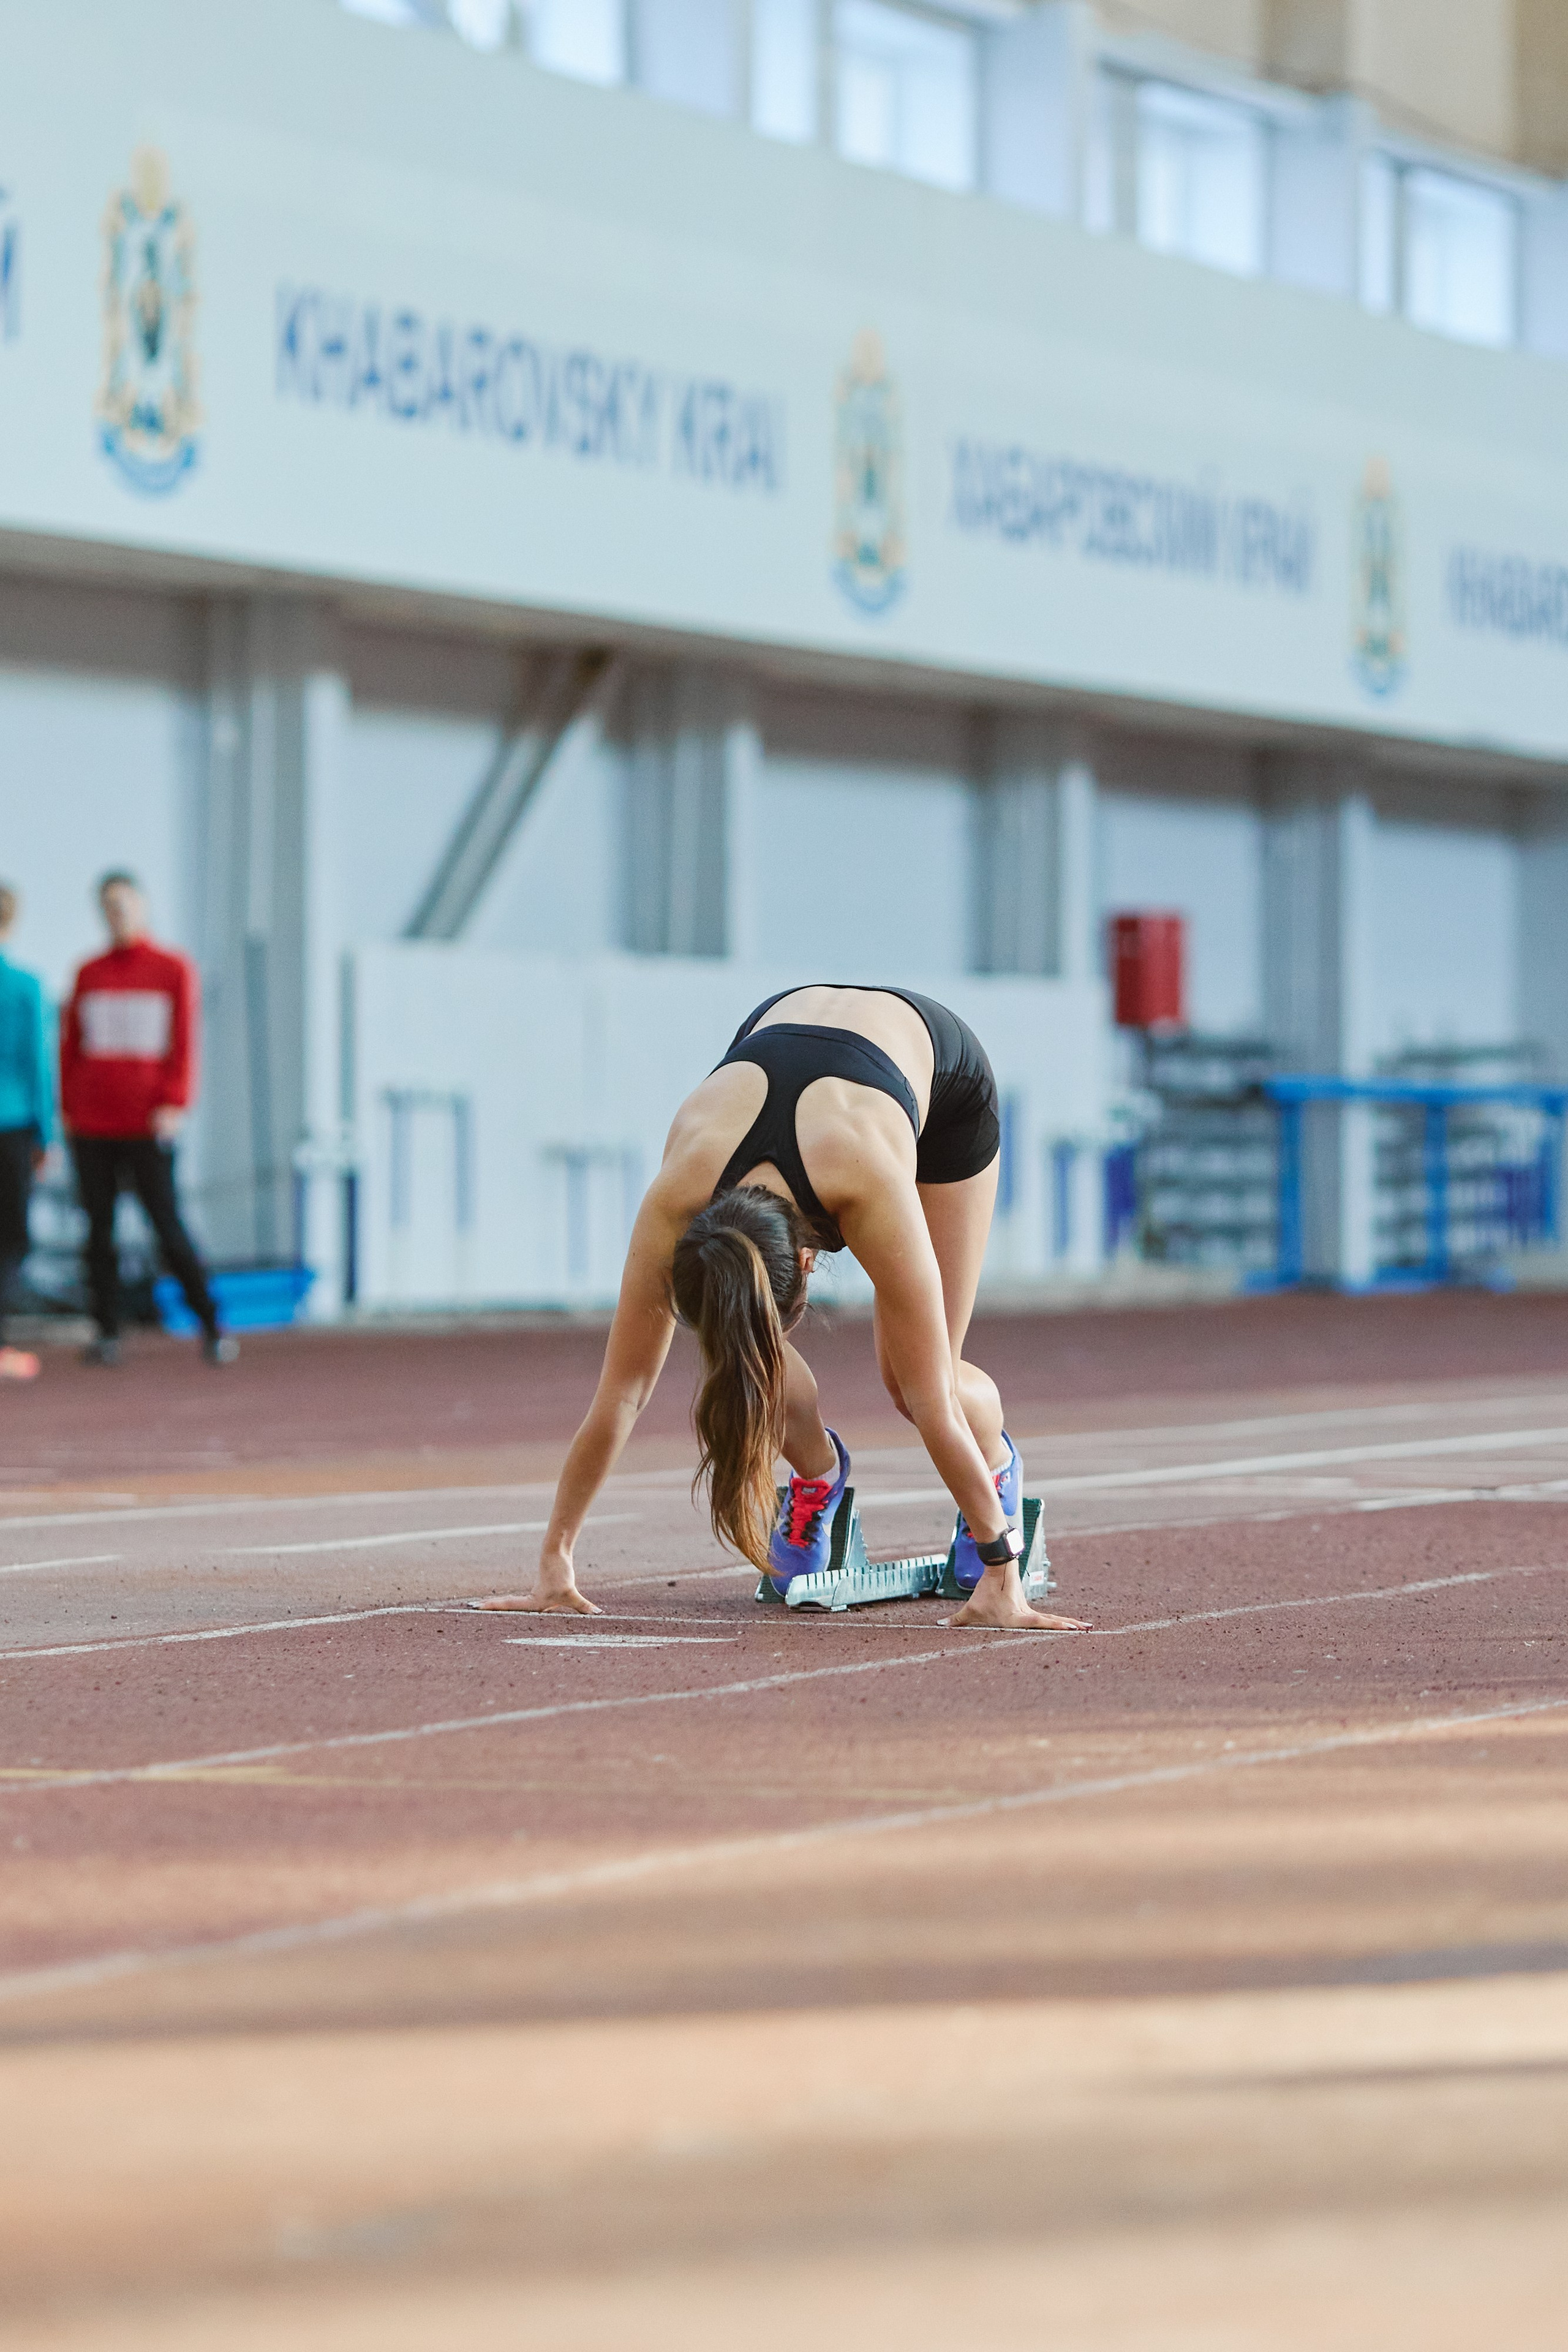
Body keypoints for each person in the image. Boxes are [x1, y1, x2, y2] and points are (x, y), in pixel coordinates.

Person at [478, 985, 1088, 1632]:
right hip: (783, 1035)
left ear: (805, 1264)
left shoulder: (866, 1181)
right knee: (741, 1349)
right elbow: (620, 1394)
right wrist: (554, 1562)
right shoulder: (675, 1199)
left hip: (940, 1083)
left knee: (915, 1382)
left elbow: (934, 1399)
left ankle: (994, 1471)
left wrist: (1002, 1571)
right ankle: (818, 1478)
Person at [59, 872, 236, 1368]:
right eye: (107, 906)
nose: (116, 914)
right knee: (98, 1230)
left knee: (167, 1225)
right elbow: (71, 1047)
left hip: (148, 1123)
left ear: (143, 906)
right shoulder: (88, 973)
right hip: (93, 1123)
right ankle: (106, 1330)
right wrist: (70, 1109)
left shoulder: (173, 969)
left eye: (124, 904)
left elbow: (185, 1041)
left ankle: (211, 1324)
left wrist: (175, 1102)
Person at [0, 883, 53, 1382]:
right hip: (12, 1127)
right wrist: (49, 1133)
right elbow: (39, 1065)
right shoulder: (24, 986)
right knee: (11, 1239)